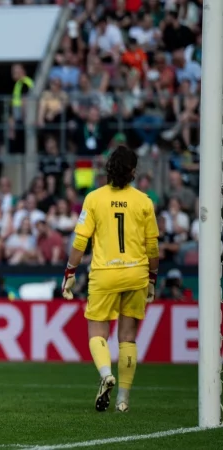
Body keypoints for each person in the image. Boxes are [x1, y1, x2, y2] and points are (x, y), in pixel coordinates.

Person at [61, 145, 159, 414]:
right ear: (133, 172)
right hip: (136, 272)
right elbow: (152, 247)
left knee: (97, 333)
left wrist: (70, 272)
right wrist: (152, 279)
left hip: (104, 274)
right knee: (127, 337)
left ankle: (106, 374)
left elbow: (80, 240)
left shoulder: (93, 198)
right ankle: (123, 399)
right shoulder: (144, 201)